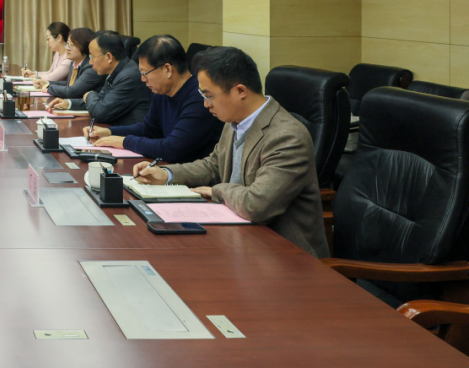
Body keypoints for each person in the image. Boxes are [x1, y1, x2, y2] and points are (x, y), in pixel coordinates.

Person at [133, 46, 329, 258]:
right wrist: (167, 174)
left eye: (209, 96)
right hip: (237, 238)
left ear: (240, 91)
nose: (205, 104)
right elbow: (213, 165)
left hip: (283, 256)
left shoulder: (287, 137)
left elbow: (256, 205)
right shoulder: (233, 120)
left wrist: (217, 191)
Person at [87, 35, 221, 163]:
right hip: (166, 167)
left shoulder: (199, 98)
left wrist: (124, 141)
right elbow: (149, 129)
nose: (142, 79)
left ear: (167, 69)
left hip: (190, 174)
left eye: (145, 73)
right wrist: (109, 132)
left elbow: (172, 148)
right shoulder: (162, 91)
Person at [48, 31, 150, 125]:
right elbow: (101, 101)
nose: (90, 62)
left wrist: (90, 94)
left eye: (92, 56)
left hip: (129, 134)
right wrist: (69, 103)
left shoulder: (128, 77)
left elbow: (100, 113)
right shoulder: (117, 71)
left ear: (109, 57)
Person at [32, 26, 104, 100]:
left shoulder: (91, 66)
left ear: (83, 46)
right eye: (67, 44)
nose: (67, 48)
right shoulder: (74, 62)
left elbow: (72, 91)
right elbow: (68, 84)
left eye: (71, 45)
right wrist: (47, 83)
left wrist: (49, 87)